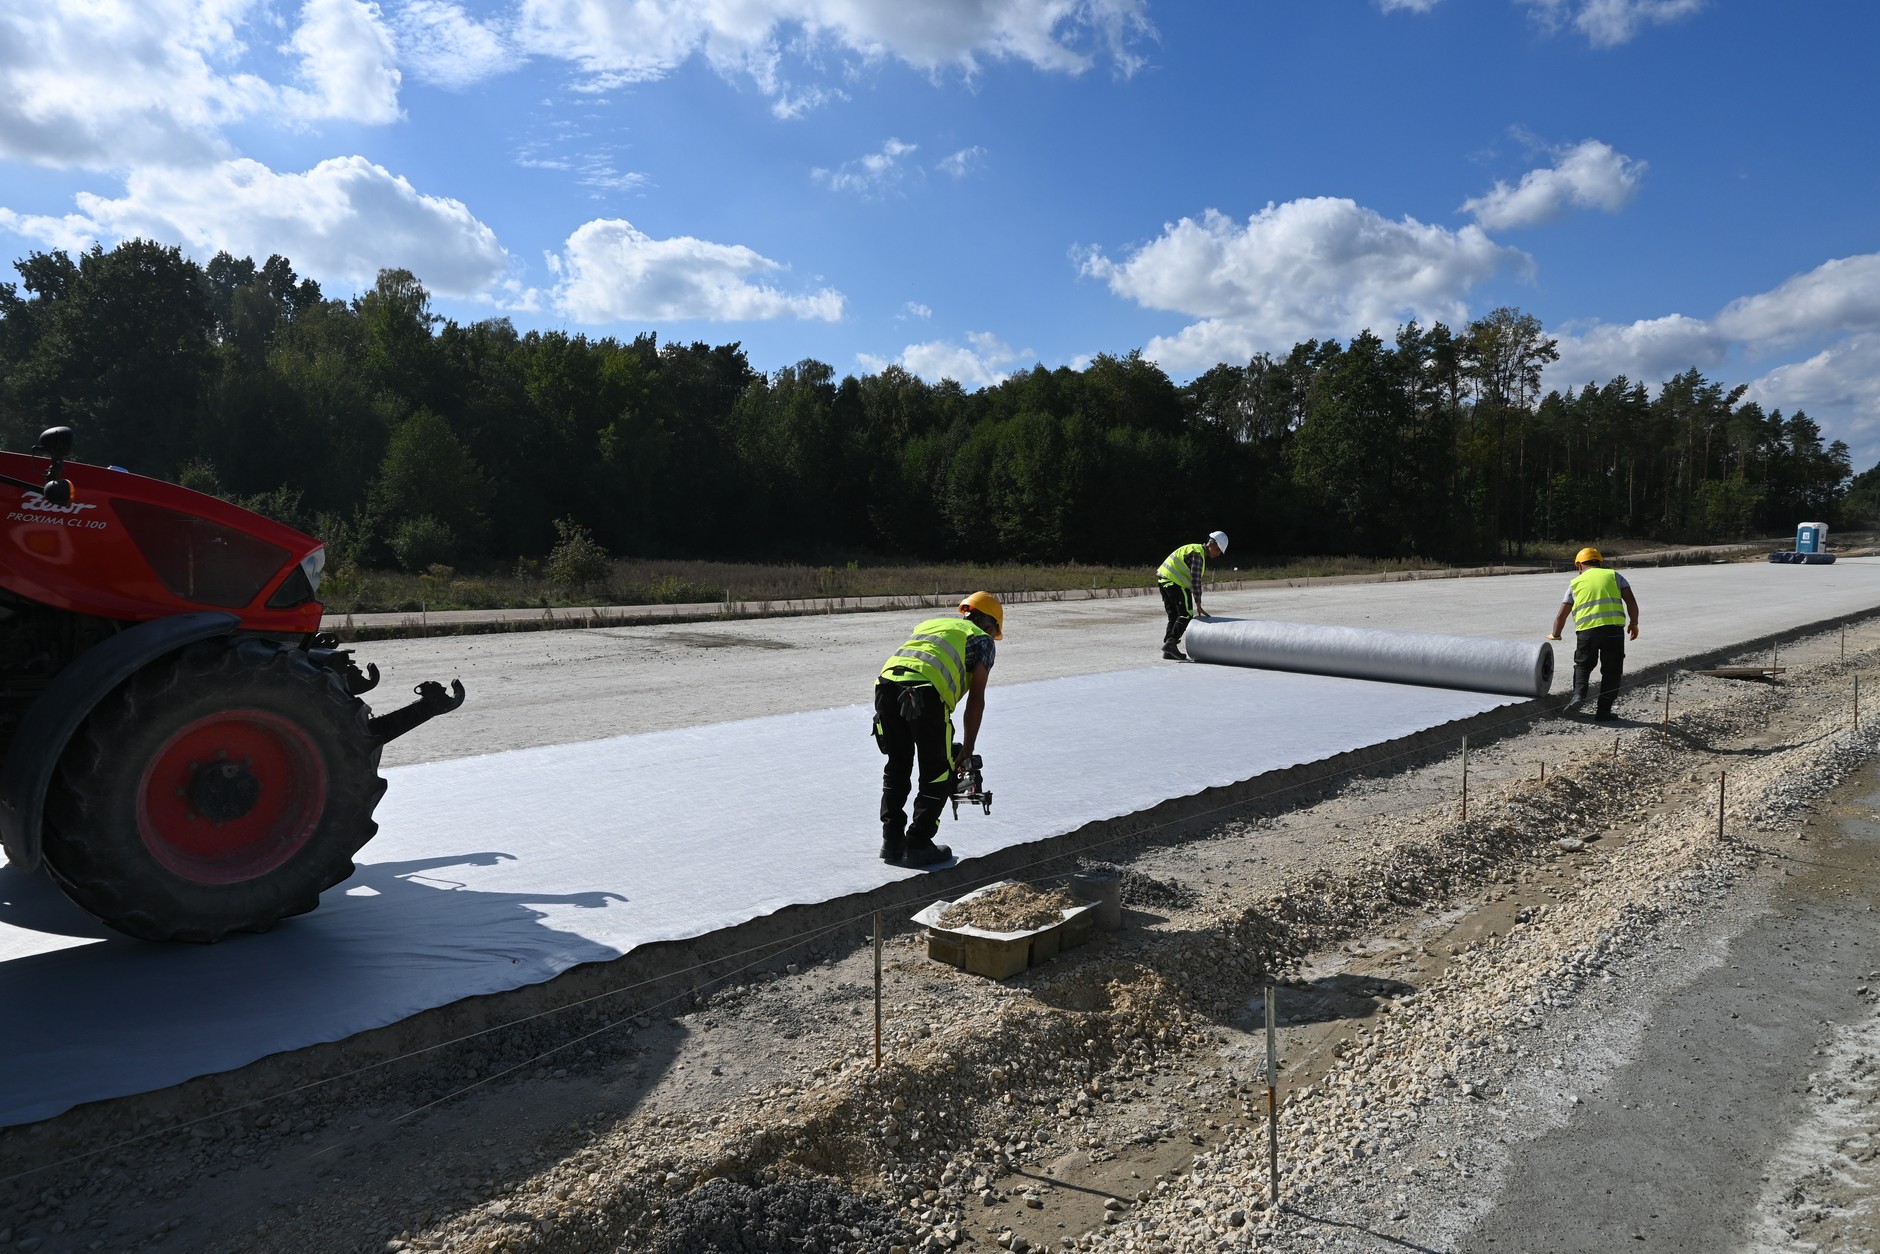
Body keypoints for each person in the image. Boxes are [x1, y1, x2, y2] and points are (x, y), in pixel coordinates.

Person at [873, 591, 1003, 868]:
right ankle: (919, 844)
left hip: (885, 686)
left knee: (897, 765)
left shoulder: (933, 625)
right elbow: (976, 700)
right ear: (991, 627)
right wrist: (966, 751)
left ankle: (892, 841)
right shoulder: (982, 640)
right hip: (925, 693)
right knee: (937, 772)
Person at [1548, 547, 1640, 721]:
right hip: (1614, 631)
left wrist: (1556, 634)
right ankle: (1603, 711)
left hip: (1587, 632)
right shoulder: (1615, 576)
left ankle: (1578, 697)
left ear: (1579, 565)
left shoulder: (1575, 583)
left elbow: (1561, 615)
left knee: (1583, 665)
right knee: (1612, 671)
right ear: (1599, 562)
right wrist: (1634, 623)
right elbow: (1631, 602)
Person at [1156, 531, 1228, 660]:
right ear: (1211, 545)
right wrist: (1198, 604)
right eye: (1218, 551)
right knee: (1186, 614)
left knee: (1174, 615)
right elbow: (1196, 581)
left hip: (1163, 579)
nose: (1218, 555)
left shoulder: (1195, 549)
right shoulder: (1198, 554)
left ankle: (1168, 650)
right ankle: (1171, 643)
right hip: (1174, 582)